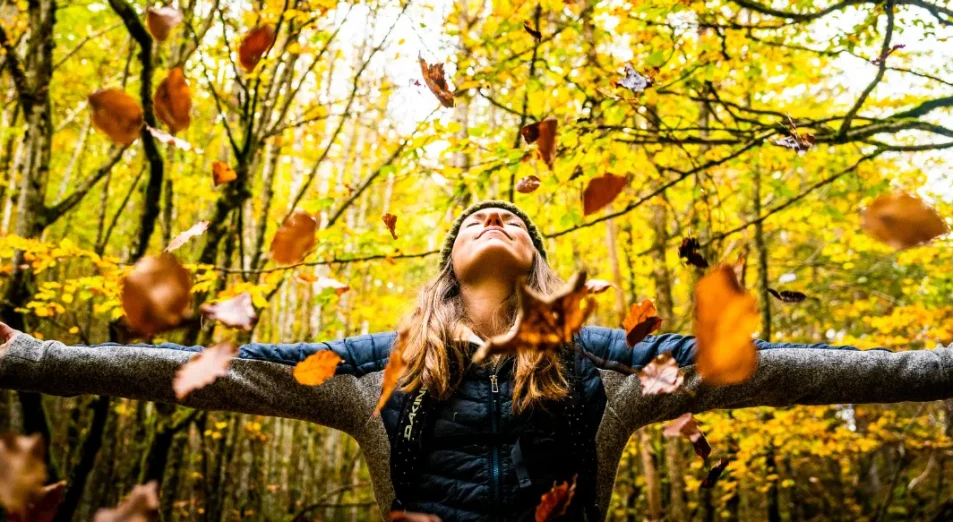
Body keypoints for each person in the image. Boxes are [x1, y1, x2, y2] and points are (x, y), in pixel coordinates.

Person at [2, 199, 952, 521]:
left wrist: (939, 367)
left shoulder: (605, 365)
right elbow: (205, 374)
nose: (494, 221)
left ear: (535, 263)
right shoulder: (370, 370)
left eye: (514, 222)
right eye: (473, 221)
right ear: (447, 266)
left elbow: (782, 367)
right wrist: (27, 357)